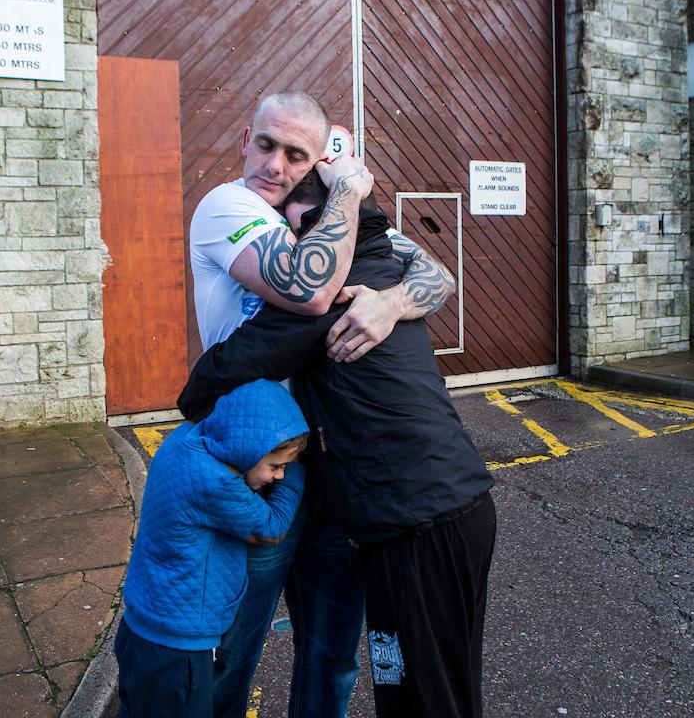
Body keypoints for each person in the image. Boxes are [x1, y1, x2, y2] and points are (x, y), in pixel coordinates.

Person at [179, 179, 497, 718]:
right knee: (448, 684)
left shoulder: (337, 293)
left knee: (416, 693)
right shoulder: (384, 268)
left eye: (305, 231)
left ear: (340, 228)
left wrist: (191, 405)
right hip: (454, 509)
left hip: (415, 523)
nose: (301, 249)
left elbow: (239, 358)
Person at [116, 379, 309, 718]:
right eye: (276, 465)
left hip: (140, 629)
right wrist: (299, 474)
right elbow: (272, 527)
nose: (279, 476)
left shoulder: (184, 440)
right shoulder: (215, 482)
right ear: (248, 450)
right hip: (178, 650)